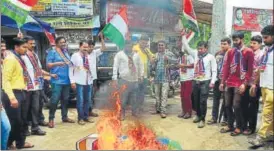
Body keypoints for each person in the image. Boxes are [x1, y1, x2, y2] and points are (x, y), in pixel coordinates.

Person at [219, 32, 254, 136]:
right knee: (227, 105)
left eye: (237, 40)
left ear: (242, 39)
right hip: (229, 81)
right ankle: (230, 125)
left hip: (240, 82)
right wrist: (222, 82)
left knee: (236, 105)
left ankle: (239, 126)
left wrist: (245, 83)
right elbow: (226, 67)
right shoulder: (230, 52)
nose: (235, 42)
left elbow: (250, 70)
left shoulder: (248, 52)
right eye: (233, 40)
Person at [2, 38, 34, 149]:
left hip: (23, 92)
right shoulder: (10, 59)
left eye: (26, 47)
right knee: (14, 122)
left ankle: (20, 143)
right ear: (16, 47)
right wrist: (11, 97)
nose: (26, 49)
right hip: (13, 93)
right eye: (24, 47)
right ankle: (8, 143)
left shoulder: (20, 58)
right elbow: (5, 80)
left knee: (23, 120)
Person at [21, 36, 56, 136]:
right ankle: (24, 129)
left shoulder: (35, 55)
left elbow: (39, 70)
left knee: (35, 108)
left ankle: (35, 127)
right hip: (26, 87)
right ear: (25, 44)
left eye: (34, 43)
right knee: (25, 109)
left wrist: (49, 75)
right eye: (30, 43)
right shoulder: (22, 56)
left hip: (36, 85)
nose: (33, 45)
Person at [182, 33, 217, 128]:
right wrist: (183, 35)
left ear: (206, 48)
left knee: (202, 101)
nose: (199, 50)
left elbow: (214, 70)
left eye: (201, 48)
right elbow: (187, 46)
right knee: (195, 100)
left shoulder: (211, 57)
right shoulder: (195, 54)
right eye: (198, 48)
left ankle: (202, 119)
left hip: (205, 82)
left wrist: (212, 82)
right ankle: (197, 115)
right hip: (195, 80)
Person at [249, 25, 273, 147]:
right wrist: (255, 83)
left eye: (266, 37)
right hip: (264, 86)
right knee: (269, 112)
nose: (264, 40)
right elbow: (260, 69)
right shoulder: (266, 50)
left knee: (266, 113)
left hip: (272, 88)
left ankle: (261, 137)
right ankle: (271, 133)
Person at [46, 37, 75, 128]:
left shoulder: (66, 52)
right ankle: (51, 119)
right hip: (57, 80)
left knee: (65, 100)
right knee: (54, 100)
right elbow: (48, 65)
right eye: (61, 42)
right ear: (57, 43)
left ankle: (65, 117)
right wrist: (57, 63)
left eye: (64, 42)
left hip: (66, 80)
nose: (63, 44)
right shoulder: (52, 52)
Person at [112, 41, 143, 120]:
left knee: (135, 97)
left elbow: (140, 65)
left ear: (132, 45)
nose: (128, 46)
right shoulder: (119, 54)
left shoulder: (136, 55)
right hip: (124, 80)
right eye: (127, 45)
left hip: (134, 80)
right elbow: (115, 66)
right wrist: (114, 78)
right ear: (124, 46)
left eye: (130, 44)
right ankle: (122, 113)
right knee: (123, 98)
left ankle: (134, 112)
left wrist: (141, 76)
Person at [241, 35, 264, 135]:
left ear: (260, 44)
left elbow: (260, 70)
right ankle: (243, 125)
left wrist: (255, 84)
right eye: (251, 43)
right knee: (244, 104)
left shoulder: (262, 54)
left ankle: (251, 128)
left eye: (254, 43)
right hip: (246, 83)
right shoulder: (248, 53)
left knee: (253, 107)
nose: (252, 45)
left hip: (255, 84)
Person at [150, 41, 178, 118]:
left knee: (164, 96)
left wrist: (168, 60)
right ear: (157, 47)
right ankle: (157, 109)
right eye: (159, 45)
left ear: (165, 46)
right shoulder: (155, 55)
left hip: (165, 78)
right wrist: (152, 62)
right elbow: (151, 67)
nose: (160, 46)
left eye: (162, 45)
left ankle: (163, 111)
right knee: (157, 96)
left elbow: (176, 61)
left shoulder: (169, 54)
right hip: (156, 78)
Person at [207, 38, 231, 125]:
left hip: (227, 80)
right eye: (222, 44)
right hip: (217, 79)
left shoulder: (231, 53)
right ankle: (214, 117)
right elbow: (214, 67)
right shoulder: (217, 53)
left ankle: (225, 119)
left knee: (226, 100)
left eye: (225, 44)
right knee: (215, 99)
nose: (223, 45)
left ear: (229, 44)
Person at [70, 40, 94, 125]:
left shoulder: (89, 56)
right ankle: (80, 118)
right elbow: (71, 69)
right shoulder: (75, 56)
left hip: (88, 81)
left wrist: (92, 79)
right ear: (80, 47)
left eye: (87, 47)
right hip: (79, 82)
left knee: (88, 100)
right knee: (80, 101)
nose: (85, 49)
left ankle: (86, 117)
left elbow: (91, 68)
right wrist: (72, 81)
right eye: (84, 47)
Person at [133, 35, 154, 113]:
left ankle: (140, 106)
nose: (144, 44)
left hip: (145, 75)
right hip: (136, 75)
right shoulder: (135, 48)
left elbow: (152, 61)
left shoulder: (147, 50)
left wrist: (147, 53)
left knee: (142, 92)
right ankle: (135, 108)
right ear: (139, 41)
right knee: (136, 92)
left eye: (145, 43)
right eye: (142, 42)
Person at [87, 33, 106, 117]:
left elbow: (104, 48)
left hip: (93, 78)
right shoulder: (82, 54)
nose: (90, 48)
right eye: (89, 46)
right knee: (85, 96)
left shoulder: (94, 53)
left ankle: (90, 111)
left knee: (91, 95)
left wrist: (101, 38)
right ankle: (84, 112)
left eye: (92, 46)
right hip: (84, 79)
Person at [177, 50, 194, 119]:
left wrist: (184, 65)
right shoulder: (180, 58)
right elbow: (179, 67)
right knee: (182, 96)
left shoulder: (189, 56)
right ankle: (184, 111)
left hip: (188, 79)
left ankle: (189, 112)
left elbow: (193, 65)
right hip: (182, 79)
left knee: (187, 96)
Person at [1, 38, 11, 150]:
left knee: (6, 126)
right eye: (0, 47)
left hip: (6, 92)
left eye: (4, 46)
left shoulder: (7, 58)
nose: (3, 49)